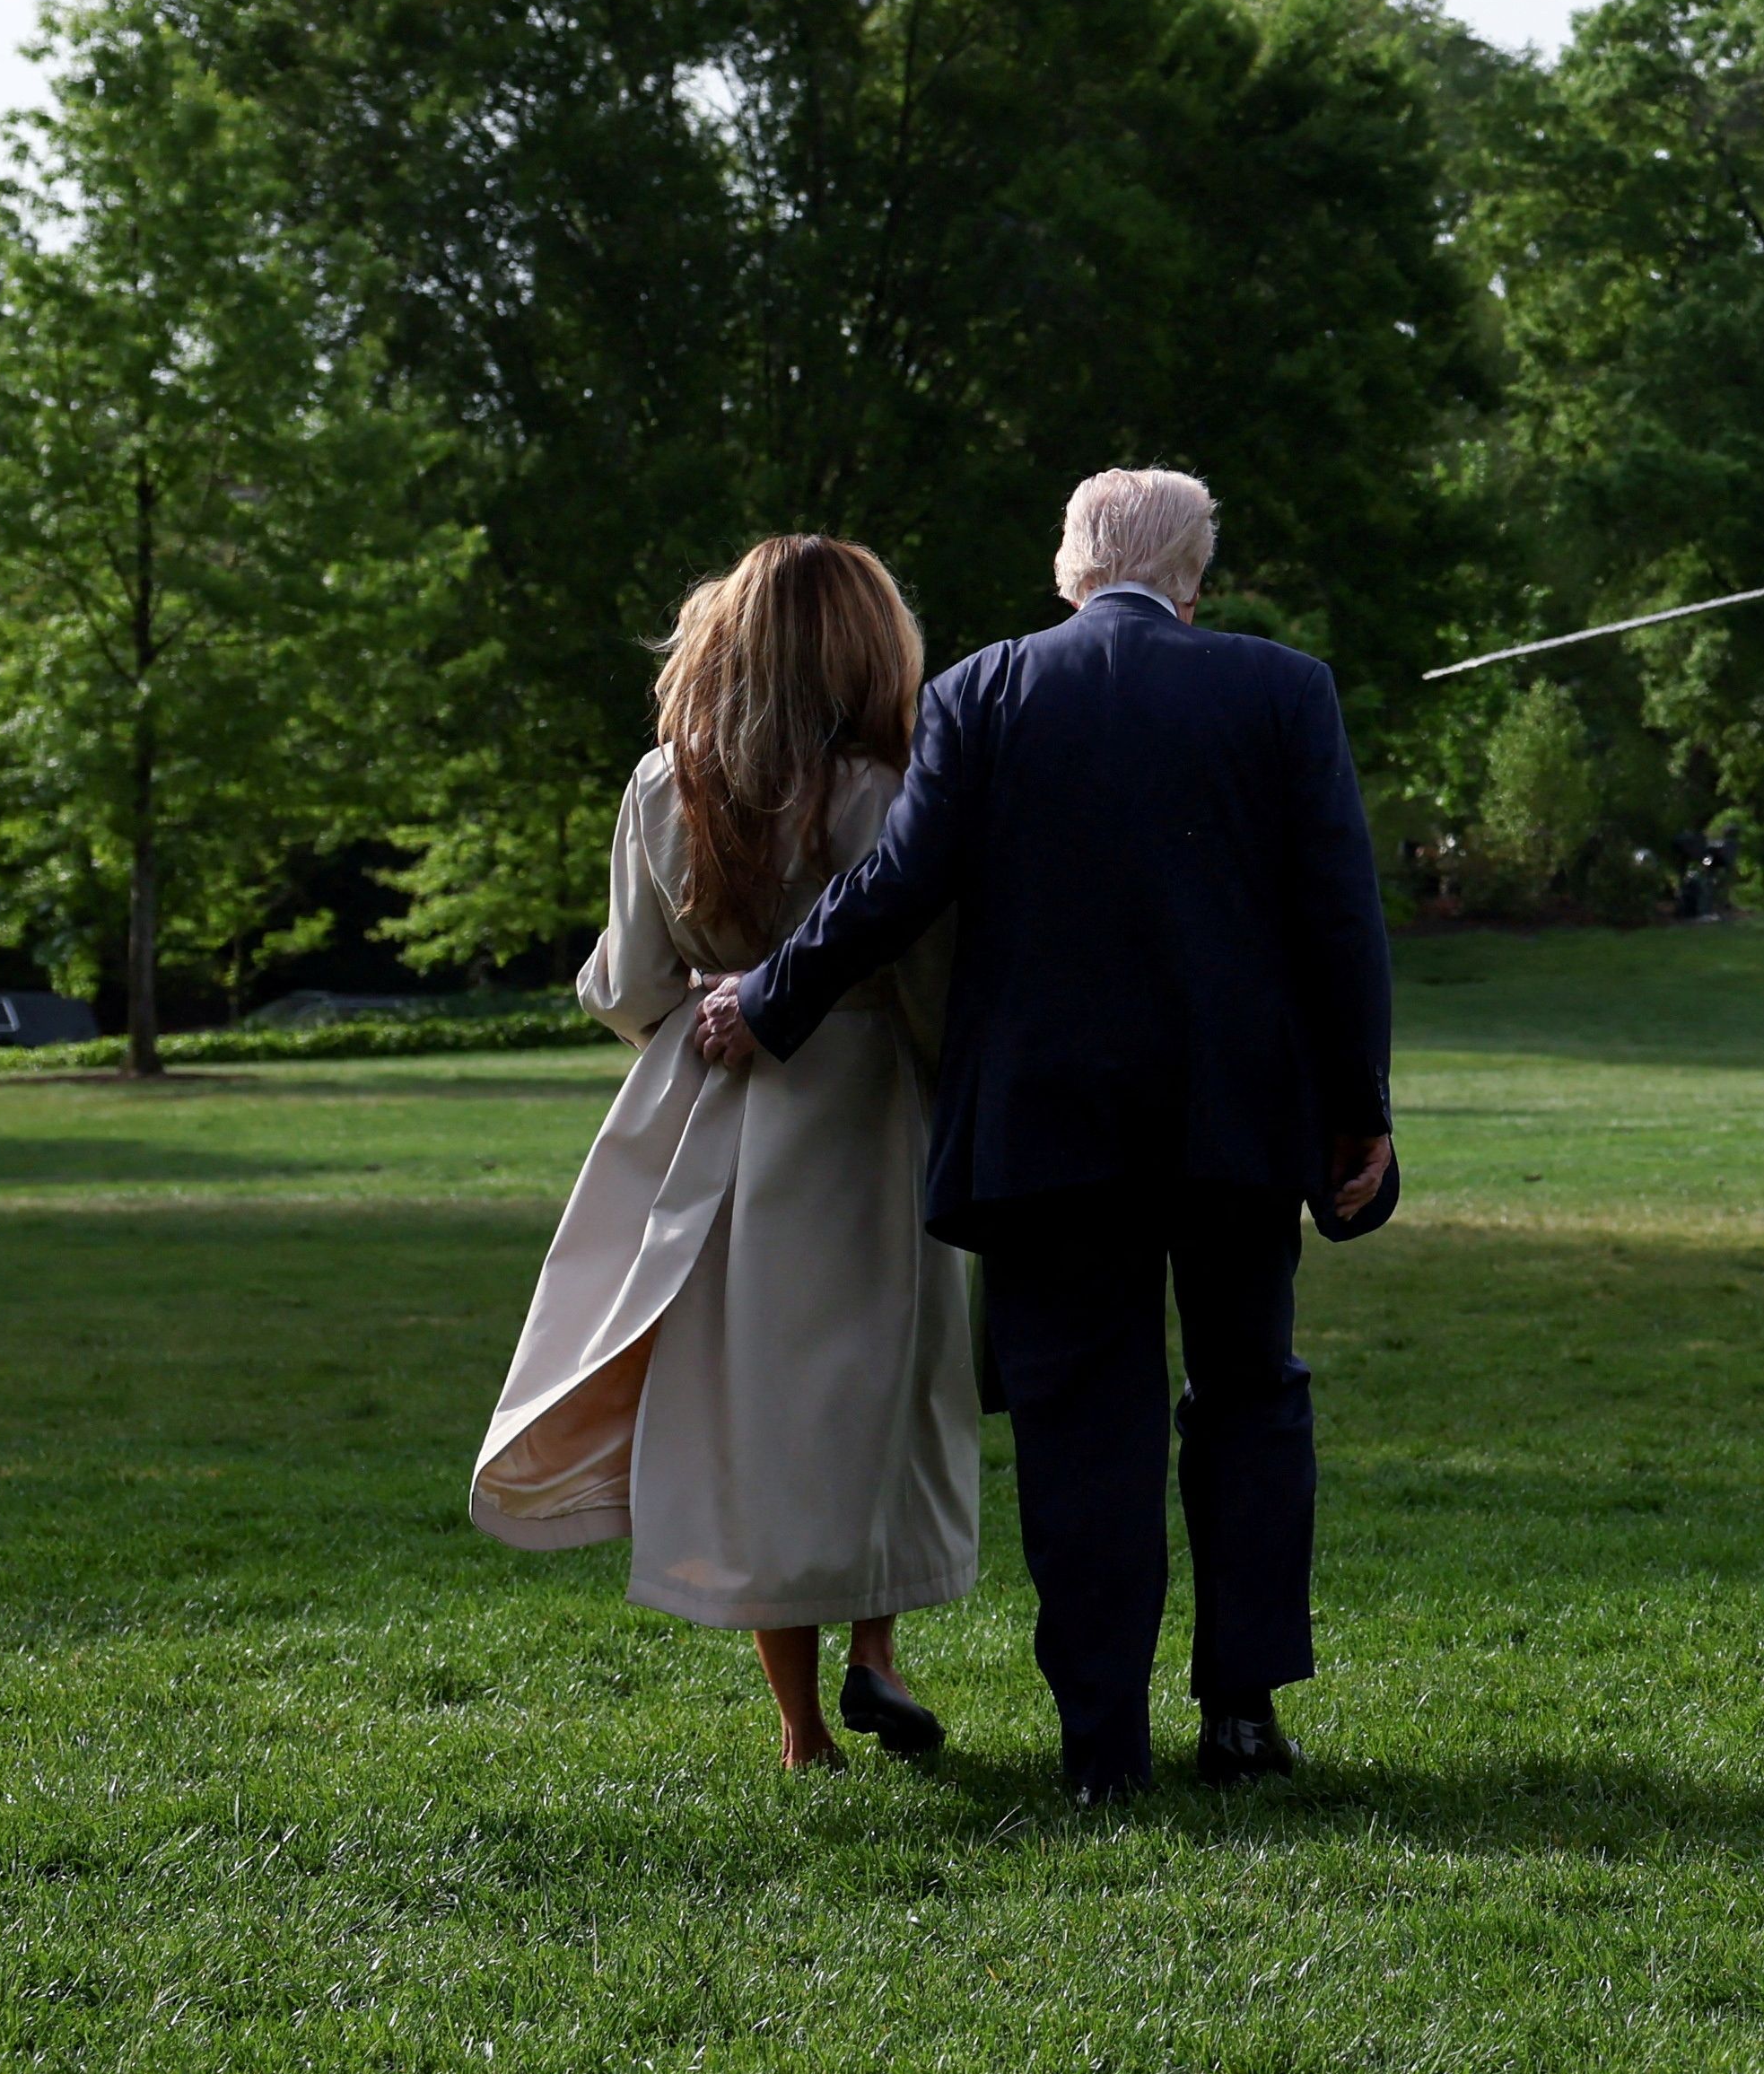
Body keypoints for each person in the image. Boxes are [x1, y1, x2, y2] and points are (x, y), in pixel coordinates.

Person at [694, 468, 1396, 1805]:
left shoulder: (983, 690)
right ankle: (1241, 1715)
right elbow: (1338, 917)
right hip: (1242, 1122)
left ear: (1068, 568)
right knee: (1251, 1398)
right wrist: (1357, 1110)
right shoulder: (1283, 688)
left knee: (1085, 1430)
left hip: (1048, 1127)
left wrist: (767, 999)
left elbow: (895, 886)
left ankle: (1101, 1747)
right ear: (1194, 576)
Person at [470, 536, 974, 1773]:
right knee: (881, 1387)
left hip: (714, 1104)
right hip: (861, 1108)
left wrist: (695, 1010)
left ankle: (803, 1728)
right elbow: (930, 976)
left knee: (756, 1401)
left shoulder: (667, 786)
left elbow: (631, 979)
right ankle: (877, 1647)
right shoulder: (886, 788)